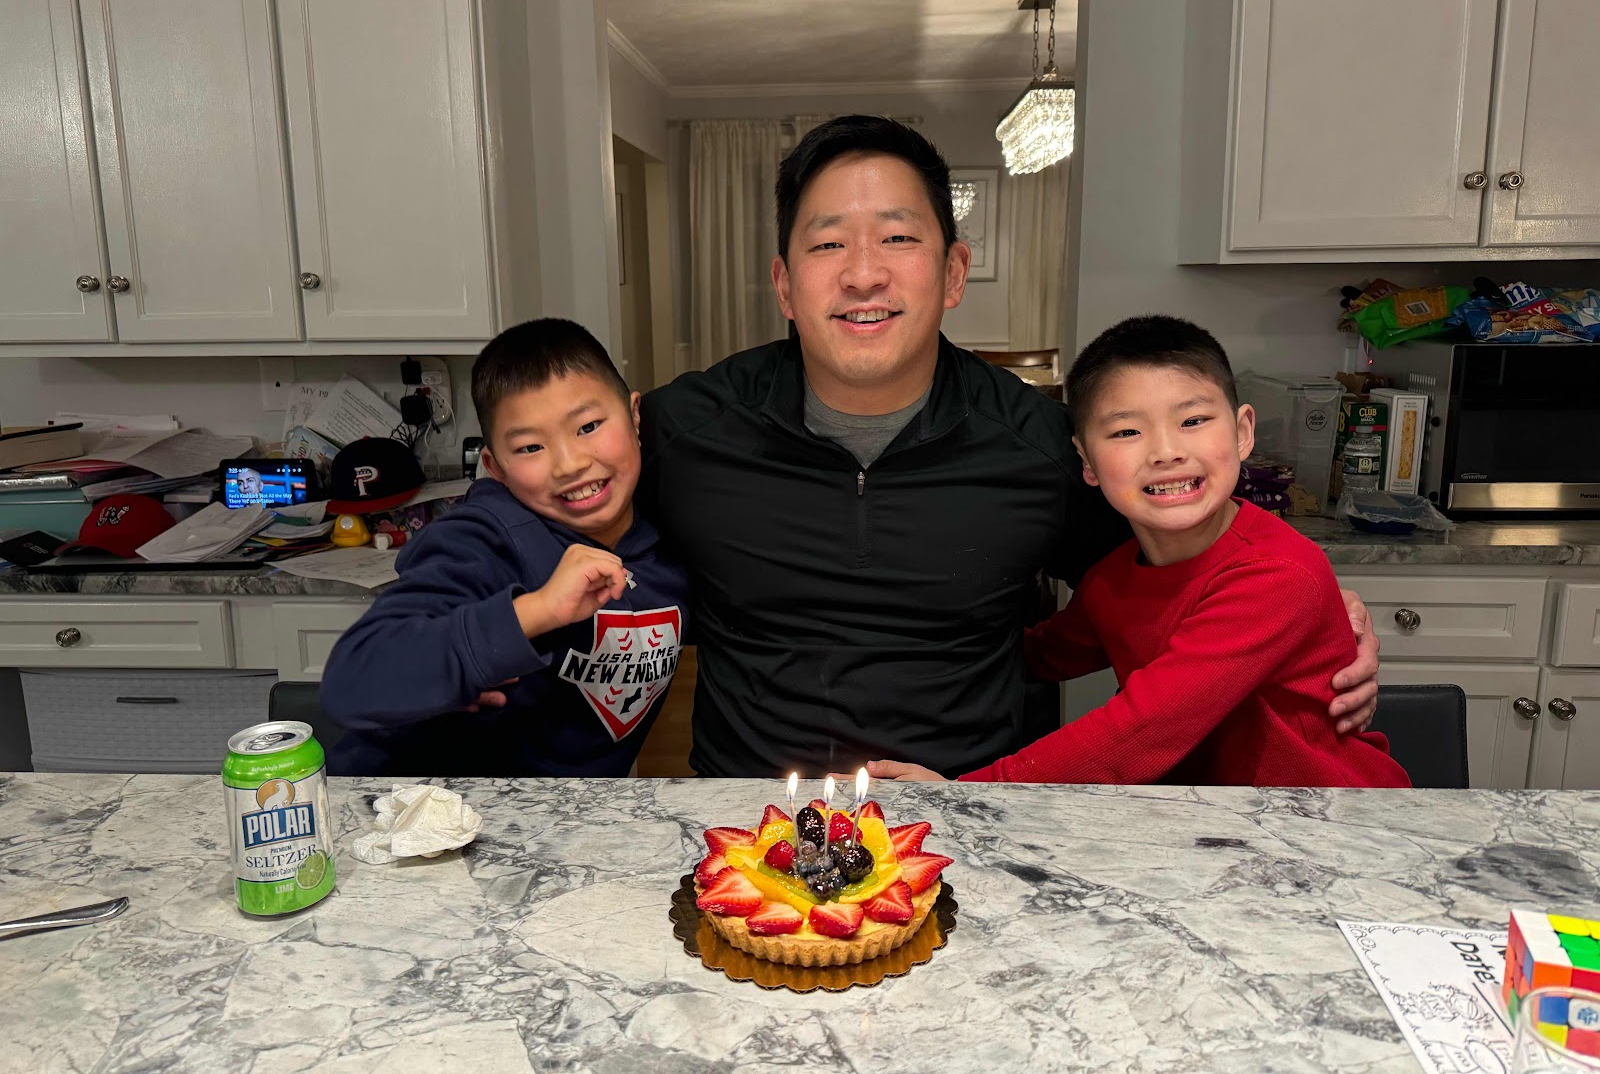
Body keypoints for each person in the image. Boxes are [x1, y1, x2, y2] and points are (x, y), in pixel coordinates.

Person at [638, 115, 1380, 778]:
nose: (863, 274)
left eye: (898, 238)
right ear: (784, 285)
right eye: (828, 244)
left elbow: (1181, 565)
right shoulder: (683, 428)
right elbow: (578, 545)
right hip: (743, 813)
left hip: (974, 823)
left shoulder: (1040, 444)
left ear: (953, 272)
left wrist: (1322, 623)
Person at [872, 315, 1409, 787]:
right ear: (1086, 462)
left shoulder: (1276, 574)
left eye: (1193, 421)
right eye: (1127, 431)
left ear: (1243, 432)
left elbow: (1142, 730)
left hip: (1335, 823)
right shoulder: (1112, 580)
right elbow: (1032, 656)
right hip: (1214, 824)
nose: (1166, 452)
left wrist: (968, 792)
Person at [320, 319, 689, 776]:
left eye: (589, 426)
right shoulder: (482, 539)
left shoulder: (674, 536)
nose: (570, 464)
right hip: (399, 808)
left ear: (635, 415)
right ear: (495, 467)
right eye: (531, 447)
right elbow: (352, 681)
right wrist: (536, 612)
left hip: (561, 815)